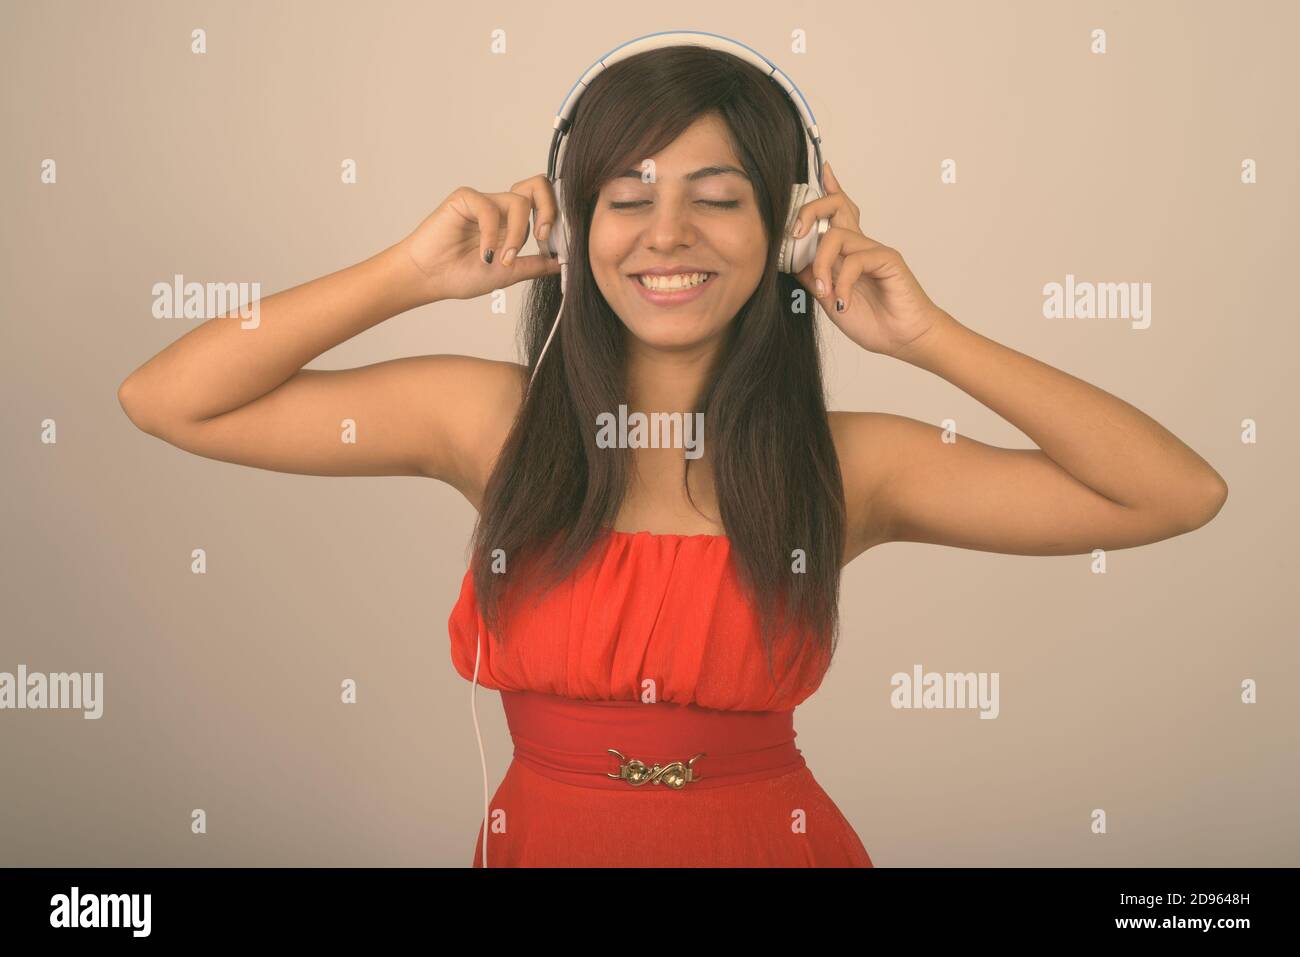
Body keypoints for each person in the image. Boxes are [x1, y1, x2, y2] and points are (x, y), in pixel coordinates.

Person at [118, 45, 1228, 868]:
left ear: (789, 231)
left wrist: (926, 336)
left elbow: (1175, 492)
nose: (666, 237)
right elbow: (168, 400)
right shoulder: (486, 423)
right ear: (570, 223)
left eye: (717, 199)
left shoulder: (848, 468)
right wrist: (408, 274)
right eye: (626, 198)